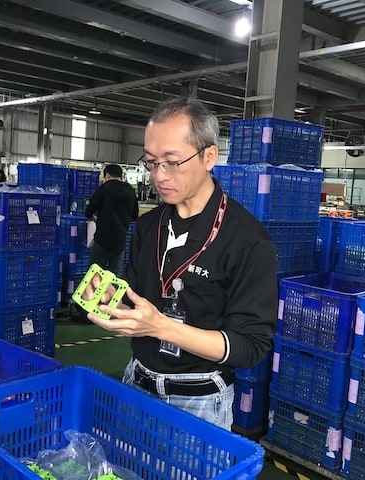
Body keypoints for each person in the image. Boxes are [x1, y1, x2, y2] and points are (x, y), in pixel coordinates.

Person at [80, 97, 278, 430]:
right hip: (137, 383)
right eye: (152, 162)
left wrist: (162, 327)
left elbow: (251, 346)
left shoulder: (247, 240)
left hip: (198, 402)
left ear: (209, 157)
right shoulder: (148, 225)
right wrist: (110, 296)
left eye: (172, 162)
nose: (160, 175)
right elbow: (136, 291)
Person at [85, 164, 139, 274]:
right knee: (114, 276)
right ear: (121, 176)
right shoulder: (130, 191)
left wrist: (93, 218)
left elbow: (89, 210)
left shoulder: (104, 189)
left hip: (102, 240)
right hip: (120, 241)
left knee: (94, 274)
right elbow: (134, 216)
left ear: (107, 175)